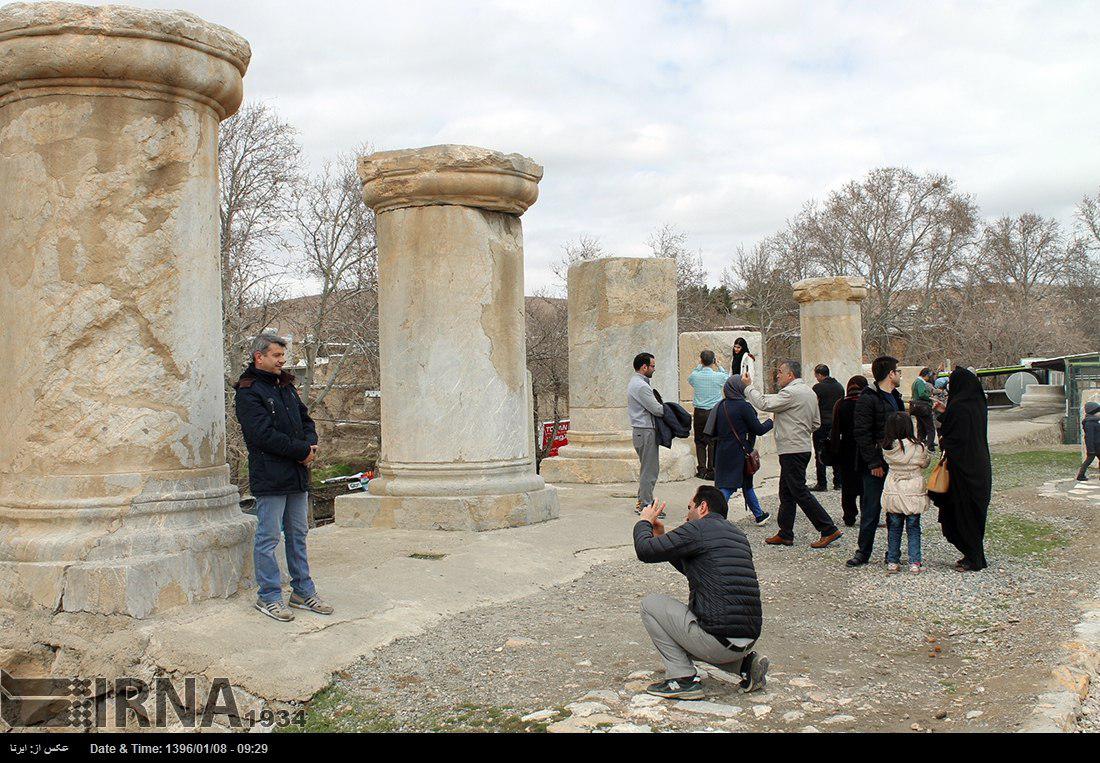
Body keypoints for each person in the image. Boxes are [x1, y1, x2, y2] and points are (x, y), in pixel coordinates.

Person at [633, 487, 770, 699]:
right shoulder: (738, 535)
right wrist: (661, 536)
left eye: (689, 508)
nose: (686, 515)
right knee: (699, 628)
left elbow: (644, 550)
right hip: (746, 639)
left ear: (703, 507)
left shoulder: (697, 529)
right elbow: (696, 571)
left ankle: (682, 679)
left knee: (650, 605)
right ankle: (745, 665)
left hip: (717, 640)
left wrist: (644, 521)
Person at [234, 333, 333, 622]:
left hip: (296, 475)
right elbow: (261, 435)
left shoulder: (285, 386)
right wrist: (302, 451)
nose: (282, 360)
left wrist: (310, 444)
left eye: (282, 355)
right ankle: (269, 596)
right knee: (267, 538)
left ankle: (302, 591)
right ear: (259, 357)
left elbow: (306, 421)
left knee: (298, 535)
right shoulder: (248, 391)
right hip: (271, 477)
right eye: (277, 356)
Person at [744, 361, 843, 548]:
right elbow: (816, 423)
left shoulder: (790, 393)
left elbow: (764, 403)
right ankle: (785, 532)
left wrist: (749, 388)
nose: (777, 376)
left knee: (799, 491)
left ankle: (828, 528)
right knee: (786, 491)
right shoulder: (810, 393)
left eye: (780, 372)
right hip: (801, 446)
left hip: (792, 448)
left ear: (791, 375)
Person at [846, 356, 905, 568]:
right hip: (875, 465)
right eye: (897, 371)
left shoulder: (896, 398)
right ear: (890, 374)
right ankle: (863, 552)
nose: (899, 375)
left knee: (895, 510)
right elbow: (861, 433)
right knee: (870, 509)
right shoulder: (868, 398)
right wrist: (873, 463)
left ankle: (893, 553)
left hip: (895, 463)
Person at [931, 367, 992, 572]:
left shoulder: (958, 406)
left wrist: (944, 418)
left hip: (961, 471)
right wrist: (946, 412)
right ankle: (975, 555)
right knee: (975, 514)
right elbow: (964, 428)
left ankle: (973, 558)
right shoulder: (977, 404)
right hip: (979, 467)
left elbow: (952, 435)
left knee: (960, 513)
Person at [704, 375, 773, 525]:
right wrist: (771, 421)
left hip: (722, 451)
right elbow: (758, 429)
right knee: (728, 488)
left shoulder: (720, 406)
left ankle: (759, 515)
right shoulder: (744, 407)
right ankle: (714, 518)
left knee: (744, 484)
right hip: (739, 452)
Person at [881, 412, 931, 574]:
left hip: (894, 487)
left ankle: (893, 561)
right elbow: (925, 463)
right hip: (913, 489)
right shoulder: (919, 447)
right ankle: (914, 562)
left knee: (894, 527)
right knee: (913, 527)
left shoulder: (888, 447)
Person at [628, 352, 666, 515]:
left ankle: (643, 501)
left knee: (647, 469)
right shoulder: (641, 386)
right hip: (645, 431)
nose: (654, 369)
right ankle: (645, 505)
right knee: (649, 471)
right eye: (652, 366)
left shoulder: (636, 382)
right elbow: (657, 409)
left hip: (641, 431)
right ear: (644, 367)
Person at [830, 375, 869, 527]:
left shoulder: (841, 404)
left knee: (848, 486)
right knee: (865, 485)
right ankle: (867, 515)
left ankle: (849, 516)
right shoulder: (866, 403)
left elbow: (835, 429)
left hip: (846, 449)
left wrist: (834, 450)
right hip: (864, 449)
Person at [688, 350, 727, 480]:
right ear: (713, 360)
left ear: (701, 360)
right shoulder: (718, 376)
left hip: (699, 412)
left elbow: (691, 377)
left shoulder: (696, 376)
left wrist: (700, 365)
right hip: (713, 412)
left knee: (699, 441)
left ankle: (701, 470)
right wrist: (719, 365)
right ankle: (712, 470)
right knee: (713, 442)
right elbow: (726, 376)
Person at [811, 364, 845, 492]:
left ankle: (822, 483)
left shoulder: (818, 388)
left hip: (821, 423)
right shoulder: (839, 386)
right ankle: (838, 482)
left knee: (820, 452)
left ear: (819, 374)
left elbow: (814, 404)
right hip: (836, 423)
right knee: (836, 450)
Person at [909, 367, 937, 452]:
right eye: (929, 376)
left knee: (920, 427)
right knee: (930, 428)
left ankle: (920, 444)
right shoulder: (920, 382)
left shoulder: (915, 382)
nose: (929, 378)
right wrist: (929, 397)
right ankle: (930, 446)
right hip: (923, 408)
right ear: (926, 375)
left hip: (916, 408)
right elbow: (922, 394)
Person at [1077, 402, 1100, 481]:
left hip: (1097, 446)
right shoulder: (1090, 423)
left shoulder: (1094, 422)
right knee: (1088, 461)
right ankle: (1080, 475)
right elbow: (1089, 437)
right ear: (1093, 413)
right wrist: (1091, 449)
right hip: (1094, 447)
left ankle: (1081, 475)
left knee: (1088, 461)